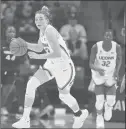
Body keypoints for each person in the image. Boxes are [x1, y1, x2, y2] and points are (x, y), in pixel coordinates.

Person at [12, 6, 89, 128]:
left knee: (63, 95)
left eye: (41, 19)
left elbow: (57, 53)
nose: (38, 22)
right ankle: (25, 119)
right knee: (31, 84)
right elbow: (39, 47)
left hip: (64, 66)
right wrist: (25, 44)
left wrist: (38, 57)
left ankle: (80, 114)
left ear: (47, 20)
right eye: (36, 19)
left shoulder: (50, 30)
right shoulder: (41, 31)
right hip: (51, 64)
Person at [89, 29, 122, 128]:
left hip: (111, 75)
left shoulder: (117, 47)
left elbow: (119, 60)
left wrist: (117, 71)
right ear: (103, 36)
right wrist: (97, 68)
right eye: (106, 36)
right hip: (99, 75)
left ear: (113, 37)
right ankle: (99, 118)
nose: (107, 37)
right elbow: (90, 63)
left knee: (111, 100)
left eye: (110, 36)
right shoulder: (96, 46)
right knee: (99, 100)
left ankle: (108, 107)